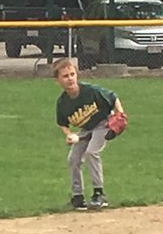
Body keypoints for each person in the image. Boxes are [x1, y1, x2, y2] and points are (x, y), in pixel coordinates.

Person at [53, 57, 124, 211]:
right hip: (86, 130)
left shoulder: (90, 91)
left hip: (103, 124)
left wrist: (120, 115)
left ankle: (99, 193)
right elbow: (62, 123)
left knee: (92, 152)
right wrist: (68, 134)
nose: (70, 78)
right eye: (65, 76)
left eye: (72, 74)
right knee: (73, 158)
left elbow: (113, 97)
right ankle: (77, 197)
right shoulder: (62, 102)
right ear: (57, 81)